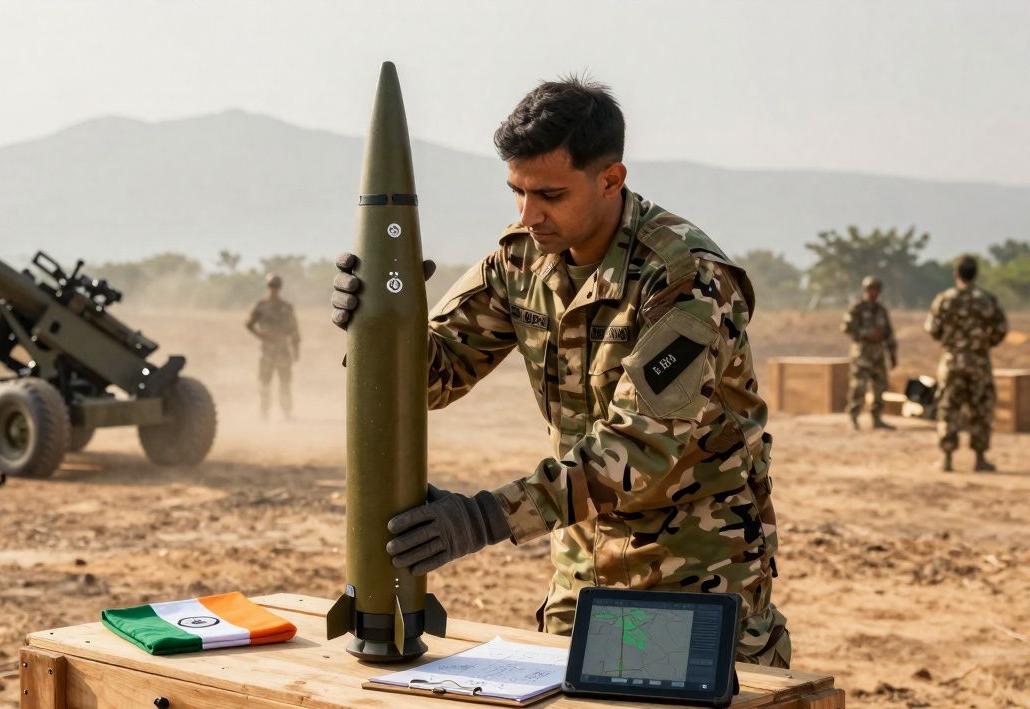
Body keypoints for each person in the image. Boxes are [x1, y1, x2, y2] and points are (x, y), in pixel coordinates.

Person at [330, 77, 790, 666]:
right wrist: (378, 329)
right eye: (516, 191)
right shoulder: (521, 258)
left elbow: (638, 450)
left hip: (693, 574)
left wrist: (481, 519)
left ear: (610, 179)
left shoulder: (685, 281)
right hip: (581, 573)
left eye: (548, 194)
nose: (529, 214)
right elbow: (435, 375)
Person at [925, 255, 1008, 472]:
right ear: (975, 274)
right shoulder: (986, 299)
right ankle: (980, 458)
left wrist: (951, 343)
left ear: (956, 275)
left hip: (952, 362)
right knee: (980, 409)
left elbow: (933, 328)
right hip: (979, 362)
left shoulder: (945, 299)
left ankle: (947, 459)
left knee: (948, 407)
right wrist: (983, 344)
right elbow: (1001, 329)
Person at [841, 275, 896, 430]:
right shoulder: (857, 308)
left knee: (880, 386)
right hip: (862, 354)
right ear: (865, 290)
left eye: (876, 289)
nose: (874, 292)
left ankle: (877, 418)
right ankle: (853, 418)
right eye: (871, 289)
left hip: (878, 354)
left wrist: (892, 354)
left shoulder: (881, 310)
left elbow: (889, 333)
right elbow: (846, 327)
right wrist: (867, 333)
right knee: (859, 387)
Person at [246, 273, 300, 419]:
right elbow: (248, 324)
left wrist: (296, 350)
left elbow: (294, 330)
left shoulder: (286, 307)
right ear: (267, 286)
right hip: (267, 352)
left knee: (285, 384)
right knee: (265, 384)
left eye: (276, 286)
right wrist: (261, 335)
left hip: (283, 351)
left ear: (280, 287)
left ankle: (286, 412)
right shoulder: (261, 306)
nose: (273, 289)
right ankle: (264, 413)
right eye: (271, 285)